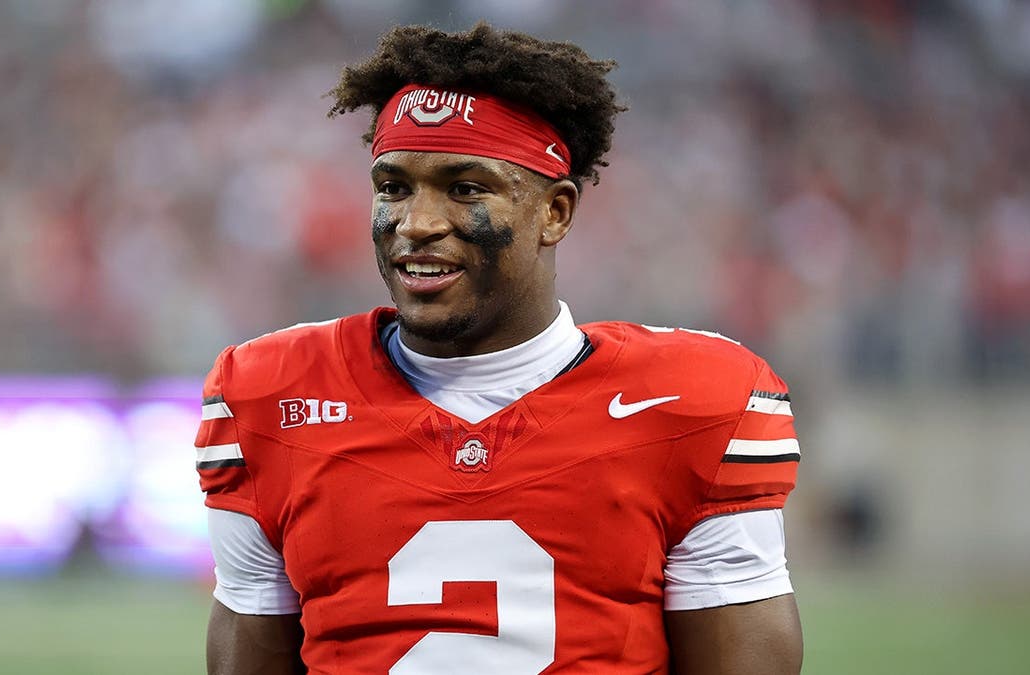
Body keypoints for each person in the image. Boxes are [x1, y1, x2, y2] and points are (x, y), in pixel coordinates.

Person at [195, 23, 803, 674]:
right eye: (394, 187)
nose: (417, 223)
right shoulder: (270, 396)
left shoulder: (690, 403)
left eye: (465, 188)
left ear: (555, 212)